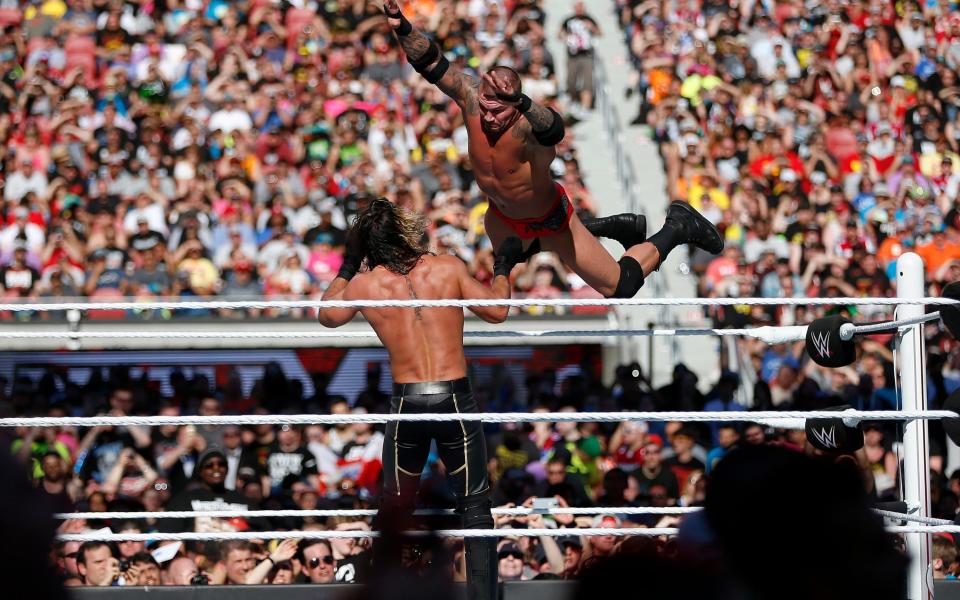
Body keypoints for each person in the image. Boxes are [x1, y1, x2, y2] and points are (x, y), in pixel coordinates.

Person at [382, 0, 723, 299]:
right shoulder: (472, 100)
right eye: (485, 104)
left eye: (498, 109)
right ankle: (611, 226)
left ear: (516, 105)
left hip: (551, 219)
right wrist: (403, 27)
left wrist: (523, 103)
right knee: (515, 254)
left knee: (621, 286)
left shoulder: (528, 127)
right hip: (501, 215)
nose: (488, 115)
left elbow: (555, 128)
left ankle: (677, 225)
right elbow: (429, 61)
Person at [318, 198, 527, 600]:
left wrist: (348, 263)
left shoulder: (365, 284)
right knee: (476, 506)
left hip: (407, 402)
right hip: (454, 398)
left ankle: (385, 592)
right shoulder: (446, 267)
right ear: (405, 230)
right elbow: (498, 310)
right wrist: (503, 267)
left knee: (396, 506)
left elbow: (327, 314)